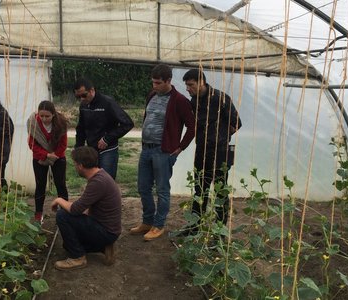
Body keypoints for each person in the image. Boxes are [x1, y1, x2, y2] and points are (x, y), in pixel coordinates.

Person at [130, 64, 195, 240]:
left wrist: (180, 147)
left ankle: (158, 226)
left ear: (168, 81)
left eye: (158, 83)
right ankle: (147, 222)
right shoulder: (152, 95)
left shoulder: (179, 100)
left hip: (163, 151)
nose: (154, 86)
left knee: (162, 190)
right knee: (143, 188)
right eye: (153, 82)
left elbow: (192, 126)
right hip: (146, 149)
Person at [183, 69, 241, 225]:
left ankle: (220, 230)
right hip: (201, 150)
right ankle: (195, 225)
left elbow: (236, 124)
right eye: (186, 85)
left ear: (201, 82)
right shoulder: (193, 101)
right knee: (200, 189)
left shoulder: (220, 99)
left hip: (220, 152)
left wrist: (220, 137)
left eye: (191, 85)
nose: (188, 89)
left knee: (220, 191)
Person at [50, 146, 121, 270]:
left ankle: (78, 258)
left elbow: (75, 209)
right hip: (108, 228)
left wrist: (59, 200)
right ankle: (104, 247)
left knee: (62, 215)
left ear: (81, 166)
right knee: (68, 245)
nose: (75, 167)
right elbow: (83, 206)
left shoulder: (98, 182)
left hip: (106, 231)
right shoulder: (100, 175)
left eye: (75, 164)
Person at [73, 78, 134, 179]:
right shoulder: (83, 105)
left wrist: (107, 138)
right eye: (78, 96)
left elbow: (127, 123)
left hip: (108, 150)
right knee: (94, 181)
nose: (81, 99)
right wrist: (78, 148)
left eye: (84, 95)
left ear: (92, 90)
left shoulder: (107, 102)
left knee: (106, 181)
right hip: (91, 151)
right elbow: (81, 128)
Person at [27, 101, 69, 224]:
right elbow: (32, 144)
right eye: (41, 116)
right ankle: (38, 214)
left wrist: (54, 155)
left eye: (47, 116)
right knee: (40, 185)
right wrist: (46, 155)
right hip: (40, 158)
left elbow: (63, 143)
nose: (44, 119)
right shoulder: (33, 123)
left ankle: (65, 212)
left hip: (58, 157)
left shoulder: (61, 123)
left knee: (60, 184)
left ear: (53, 114)